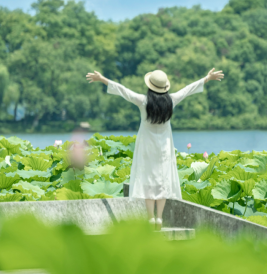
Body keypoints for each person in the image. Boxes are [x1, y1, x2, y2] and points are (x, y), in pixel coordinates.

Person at [86, 68, 224, 228]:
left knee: (148, 179)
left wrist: (103, 79)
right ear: (165, 87)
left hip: (146, 146)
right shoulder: (171, 100)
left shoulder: (143, 101)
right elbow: (188, 90)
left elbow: (123, 91)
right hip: (164, 146)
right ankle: (159, 217)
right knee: (162, 179)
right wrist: (207, 78)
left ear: (150, 86)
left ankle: (150, 217)